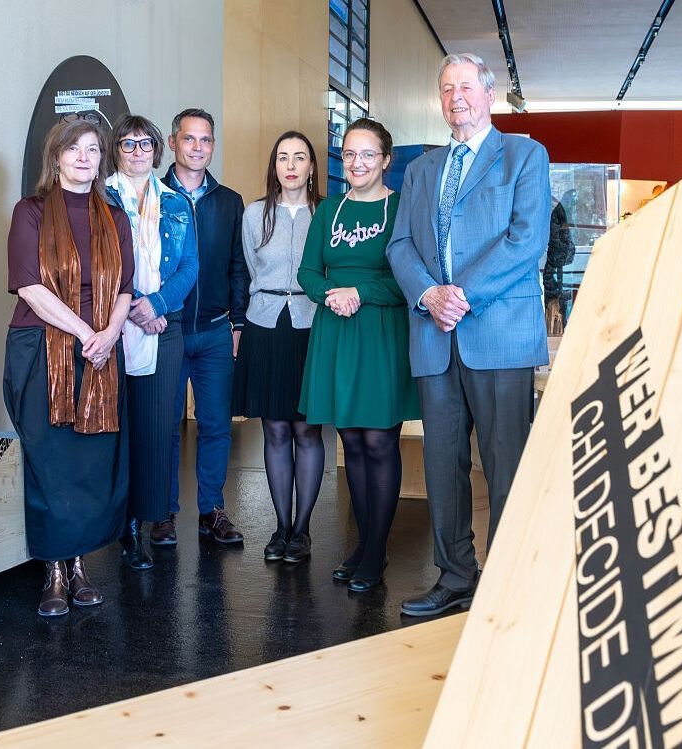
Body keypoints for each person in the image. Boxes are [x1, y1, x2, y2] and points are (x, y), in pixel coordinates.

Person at [386, 53, 550, 617]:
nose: (456, 97)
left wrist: (461, 295)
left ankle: (507, 584)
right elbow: (399, 245)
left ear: (488, 93)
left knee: (506, 465)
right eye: (446, 88)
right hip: (435, 335)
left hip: (499, 335)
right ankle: (455, 576)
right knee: (443, 465)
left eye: (465, 86)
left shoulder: (524, 155)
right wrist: (429, 295)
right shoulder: (421, 169)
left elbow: (526, 240)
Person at [4, 118, 135, 617]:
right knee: (51, 459)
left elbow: (124, 289)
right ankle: (53, 571)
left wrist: (110, 335)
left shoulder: (115, 217)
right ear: (55, 157)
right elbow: (29, 287)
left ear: (102, 160)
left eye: (93, 149)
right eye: (73, 149)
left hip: (101, 351)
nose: (84, 157)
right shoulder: (30, 212)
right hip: (43, 348)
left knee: (89, 462)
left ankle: (79, 566)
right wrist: (86, 334)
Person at [298, 118, 419, 591]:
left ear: (386, 160)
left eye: (368, 154)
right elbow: (308, 272)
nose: (357, 162)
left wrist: (360, 292)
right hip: (336, 331)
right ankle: (364, 544)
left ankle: (375, 551)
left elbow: (407, 280)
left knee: (379, 442)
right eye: (349, 154)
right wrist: (332, 295)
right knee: (350, 442)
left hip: (380, 333)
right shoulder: (329, 210)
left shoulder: (402, 208)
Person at [104, 113, 199, 570]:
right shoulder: (100, 197)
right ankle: (118, 526)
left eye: (145, 144)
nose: (137, 151)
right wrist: (134, 307)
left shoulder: (176, 202)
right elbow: (98, 265)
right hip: (110, 324)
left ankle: (143, 525)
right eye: (128, 143)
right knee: (117, 428)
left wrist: (157, 304)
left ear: (157, 150)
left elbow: (190, 266)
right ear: (115, 150)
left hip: (165, 325)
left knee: (157, 430)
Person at [157, 108, 249, 545]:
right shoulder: (153, 196)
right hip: (168, 331)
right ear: (173, 142)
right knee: (166, 427)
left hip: (214, 331)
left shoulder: (229, 202)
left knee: (215, 425)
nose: (198, 147)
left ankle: (211, 509)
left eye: (206, 139)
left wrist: (238, 322)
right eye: (190, 138)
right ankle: (162, 512)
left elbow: (238, 266)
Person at [232, 131, 324, 564]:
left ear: (311, 167)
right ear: (274, 166)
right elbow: (250, 267)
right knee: (275, 430)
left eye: (299, 157)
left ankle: (302, 530)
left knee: (306, 429)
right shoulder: (255, 214)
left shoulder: (326, 212)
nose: (290, 165)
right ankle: (281, 526)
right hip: (265, 324)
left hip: (311, 325)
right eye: (283, 157)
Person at [542, 191, 576, 332]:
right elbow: (559, 242)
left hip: (560, 267)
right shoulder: (560, 213)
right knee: (556, 307)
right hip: (557, 268)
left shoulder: (562, 212)